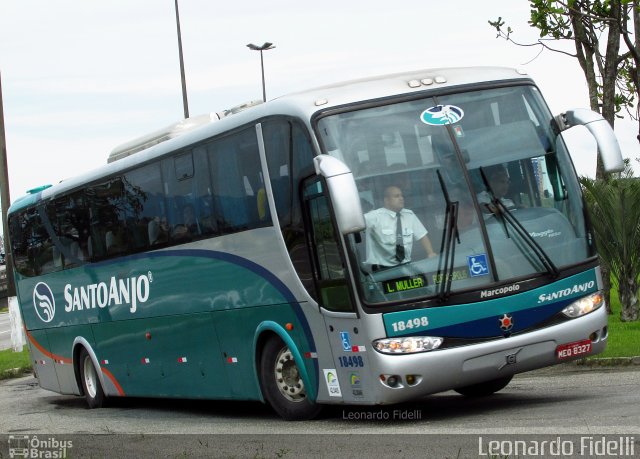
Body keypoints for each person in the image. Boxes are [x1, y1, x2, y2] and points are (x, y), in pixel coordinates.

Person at [364, 186, 437, 270]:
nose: (401, 198)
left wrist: (430, 253)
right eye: (396, 196)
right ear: (386, 200)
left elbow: (422, 236)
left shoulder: (409, 215)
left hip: (406, 266)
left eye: (401, 196)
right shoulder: (374, 216)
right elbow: (353, 223)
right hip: (382, 270)